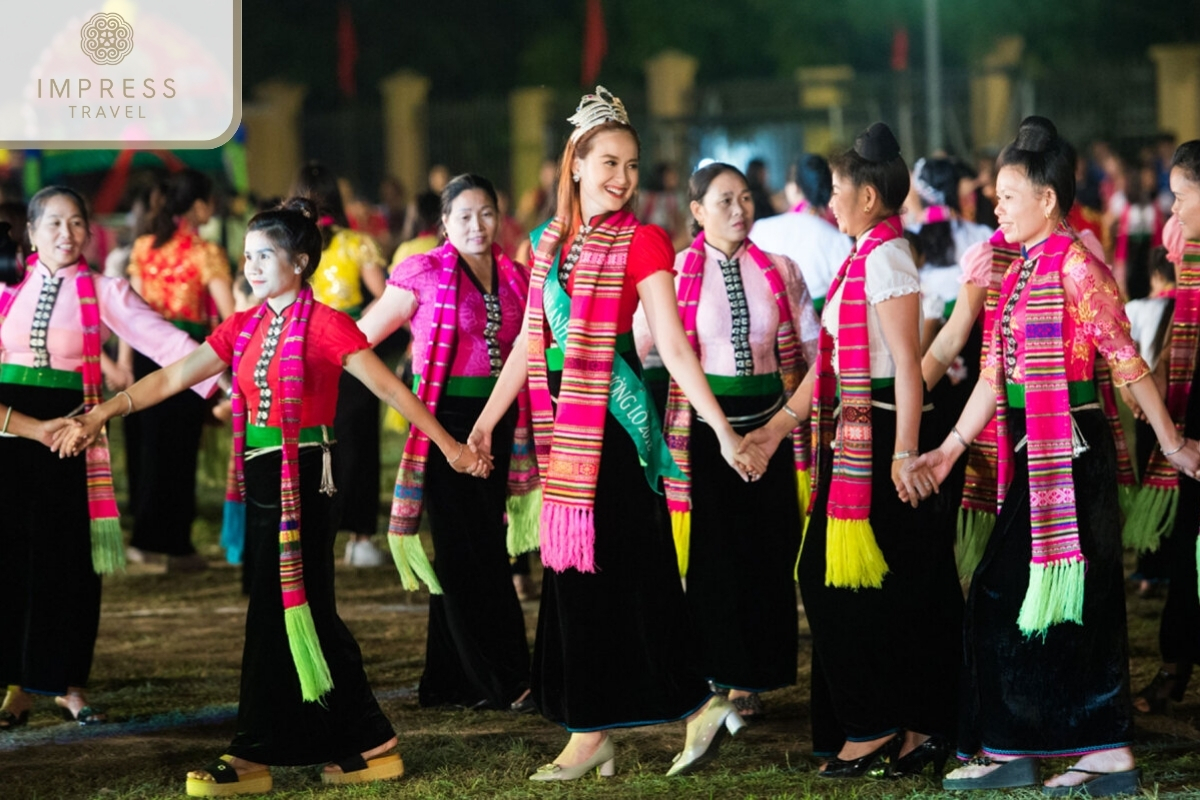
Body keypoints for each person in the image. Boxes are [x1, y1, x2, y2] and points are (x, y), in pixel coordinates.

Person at [60, 198, 489, 795]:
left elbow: (392, 389)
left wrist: (449, 445)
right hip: (264, 475)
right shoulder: (245, 324)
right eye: (248, 257)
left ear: (301, 261)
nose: (252, 267)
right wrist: (105, 410)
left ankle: (260, 752)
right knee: (289, 609)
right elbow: (176, 376)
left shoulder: (328, 324)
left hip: (309, 474)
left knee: (288, 609)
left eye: (265, 256)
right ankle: (360, 739)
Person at [467, 86, 767, 781]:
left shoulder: (643, 240)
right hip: (562, 436)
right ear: (575, 163)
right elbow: (526, 346)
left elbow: (672, 342)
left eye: (631, 165)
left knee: (628, 579)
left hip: (614, 433)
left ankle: (615, 724)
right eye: (608, 162)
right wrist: (485, 422)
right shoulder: (547, 244)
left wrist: (720, 431)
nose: (622, 178)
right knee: (587, 585)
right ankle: (624, 722)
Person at [912, 117, 1200, 795]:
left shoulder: (1077, 266)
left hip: (1075, 452)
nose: (996, 206)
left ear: (1047, 200)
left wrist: (1171, 441)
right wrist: (950, 449)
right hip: (1035, 449)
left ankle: (1069, 752)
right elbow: (991, 376)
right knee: (1028, 598)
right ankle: (1052, 747)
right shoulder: (1017, 271)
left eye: (1008, 195)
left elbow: (1126, 361)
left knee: (1052, 599)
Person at [743, 123, 962, 779]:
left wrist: (903, 455)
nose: (830, 200)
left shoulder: (888, 257)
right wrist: (774, 429)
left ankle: (894, 726)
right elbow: (832, 365)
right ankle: (889, 724)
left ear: (869, 195)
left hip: (883, 434)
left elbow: (904, 364)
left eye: (838, 189)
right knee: (865, 583)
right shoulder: (861, 255)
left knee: (871, 583)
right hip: (854, 435)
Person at [0, 186, 220, 729]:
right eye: (53, 224)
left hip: (73, 432)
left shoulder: (106, 289)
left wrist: (225, 392)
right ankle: (18, 685)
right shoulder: (6, 288)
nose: (66, 235)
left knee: (70, 559)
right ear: (30, 232)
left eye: (77, 224)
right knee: (11, 562)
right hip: (11, 433)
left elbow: (168, 345)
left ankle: (68, 682)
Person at [635, 162, 819, 719]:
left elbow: (815, 349)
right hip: (700, 428)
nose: (739, 210)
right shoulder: (671, 276)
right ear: (696, 212)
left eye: (744, 198)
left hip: (774, 422)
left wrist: (779, 427)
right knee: (715, 554)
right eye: (723, 201)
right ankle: (719, 671)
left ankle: (755, 676)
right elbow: (648, 349)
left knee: (769, 548)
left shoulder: (782, 270)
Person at [358, 173, 534, 711]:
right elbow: (359, 341)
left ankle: (448, 681)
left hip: (498, 423)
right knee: (468, 553)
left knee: (476, 545)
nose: (477, 225)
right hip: (444, 426)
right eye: (464, 216)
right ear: (444, 224)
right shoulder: (422, 271)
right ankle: (506, 679)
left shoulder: (516, 277)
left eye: (486, 213)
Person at [122, 169, 234, 571]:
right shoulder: (205, 252)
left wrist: (122, 362)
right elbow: (230, 316)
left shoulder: (144, 247)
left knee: (150, 448)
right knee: (181, 448)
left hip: (144, 352)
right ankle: (177, 545)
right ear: (199, 204)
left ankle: (147, 539)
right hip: (187, 354)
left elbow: (128, 312)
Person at [1125, 142, 1200, 716]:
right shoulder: (1190, 256)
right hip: (1193, 414)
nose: (1172, 211)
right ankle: (1175, 666)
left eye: (1180, 197)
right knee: (1187, 546)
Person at [292, 161, 389, 567]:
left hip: (300, 352)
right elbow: (385, 296)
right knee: (357, 445)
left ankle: (306, 532)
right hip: (349, 353)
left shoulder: (290, 243)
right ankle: (360, 537)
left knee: (306, 443)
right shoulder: (356, 243)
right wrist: (359, 329)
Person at [749, 154, 852, 314]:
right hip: (826, 322)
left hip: (774, 324)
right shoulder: (839, 232)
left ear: (795, 187)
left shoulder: (761, 230)